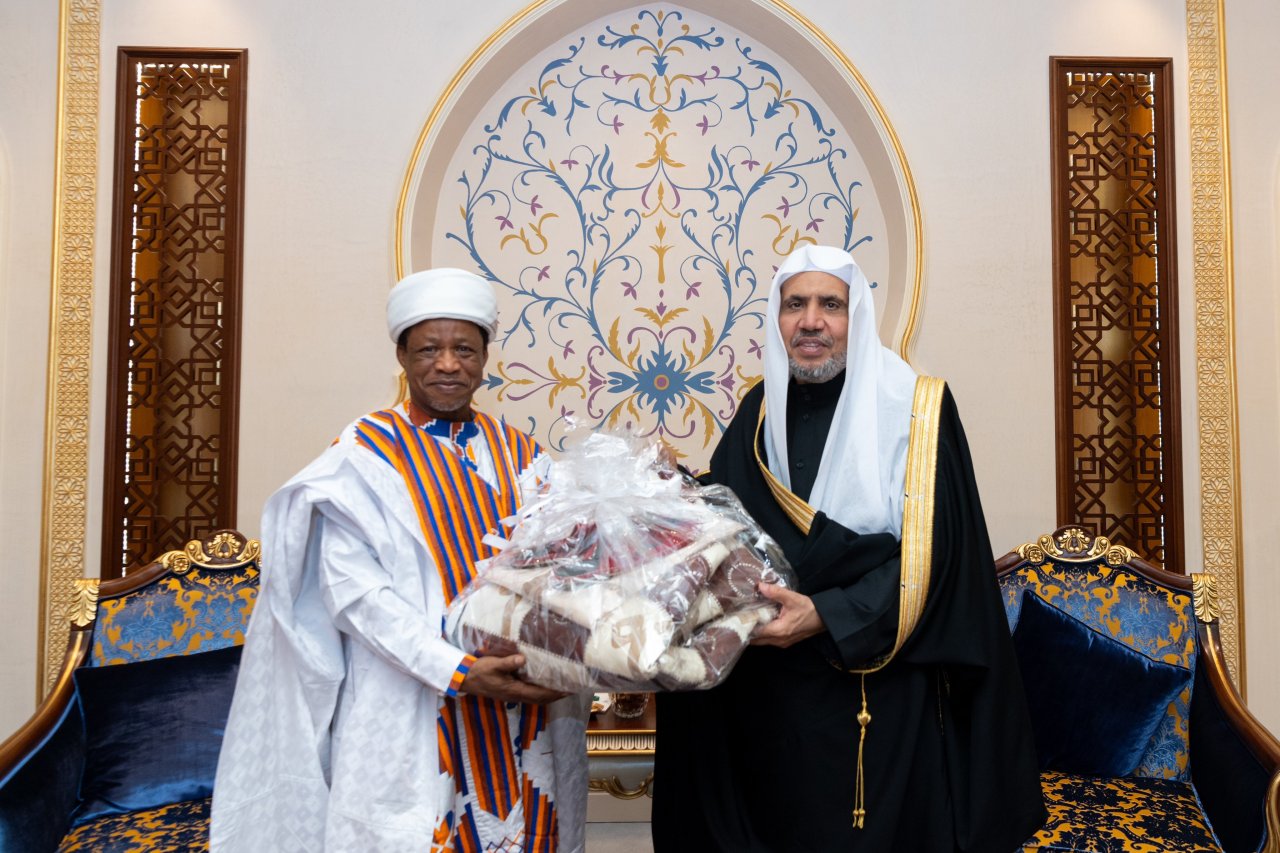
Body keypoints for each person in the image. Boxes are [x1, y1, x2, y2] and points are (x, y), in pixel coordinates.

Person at [652, 245, 1046, 852]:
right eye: (795, 305)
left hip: (874, 691)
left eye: (829, 304)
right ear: (777, 320)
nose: (811, 321)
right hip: (768, 700)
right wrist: (668, 492)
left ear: (856, 317)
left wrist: (828, 615)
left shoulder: (918, 409)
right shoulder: (759, 411)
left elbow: (943, 556)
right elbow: (734, 520)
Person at [211, 269, 588, 853]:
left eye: (463, 348)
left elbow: (562, 573)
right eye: (428, 349)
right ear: (402, 356)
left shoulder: (524, 455)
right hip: (409, 702)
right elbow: (357, 599)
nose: (446, 364)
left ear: (485, 357)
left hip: (519, 707)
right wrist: (459, 671)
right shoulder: (361, 457)